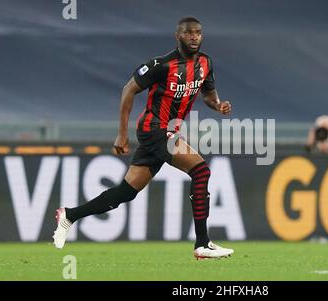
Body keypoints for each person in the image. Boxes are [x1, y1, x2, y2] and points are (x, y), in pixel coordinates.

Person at [53, 16, 234, 260]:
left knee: (125, 193)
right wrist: (122, 133)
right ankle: (202, 244)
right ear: (178, 36)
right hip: (155, 129)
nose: (194, 37)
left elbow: (209, 96)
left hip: (169, 131)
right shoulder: (161, 65)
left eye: (198, 33)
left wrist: (219, 106)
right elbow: (129, 89)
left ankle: (69, 216)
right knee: (201, 171)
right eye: (188, 33)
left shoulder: (205, 63)